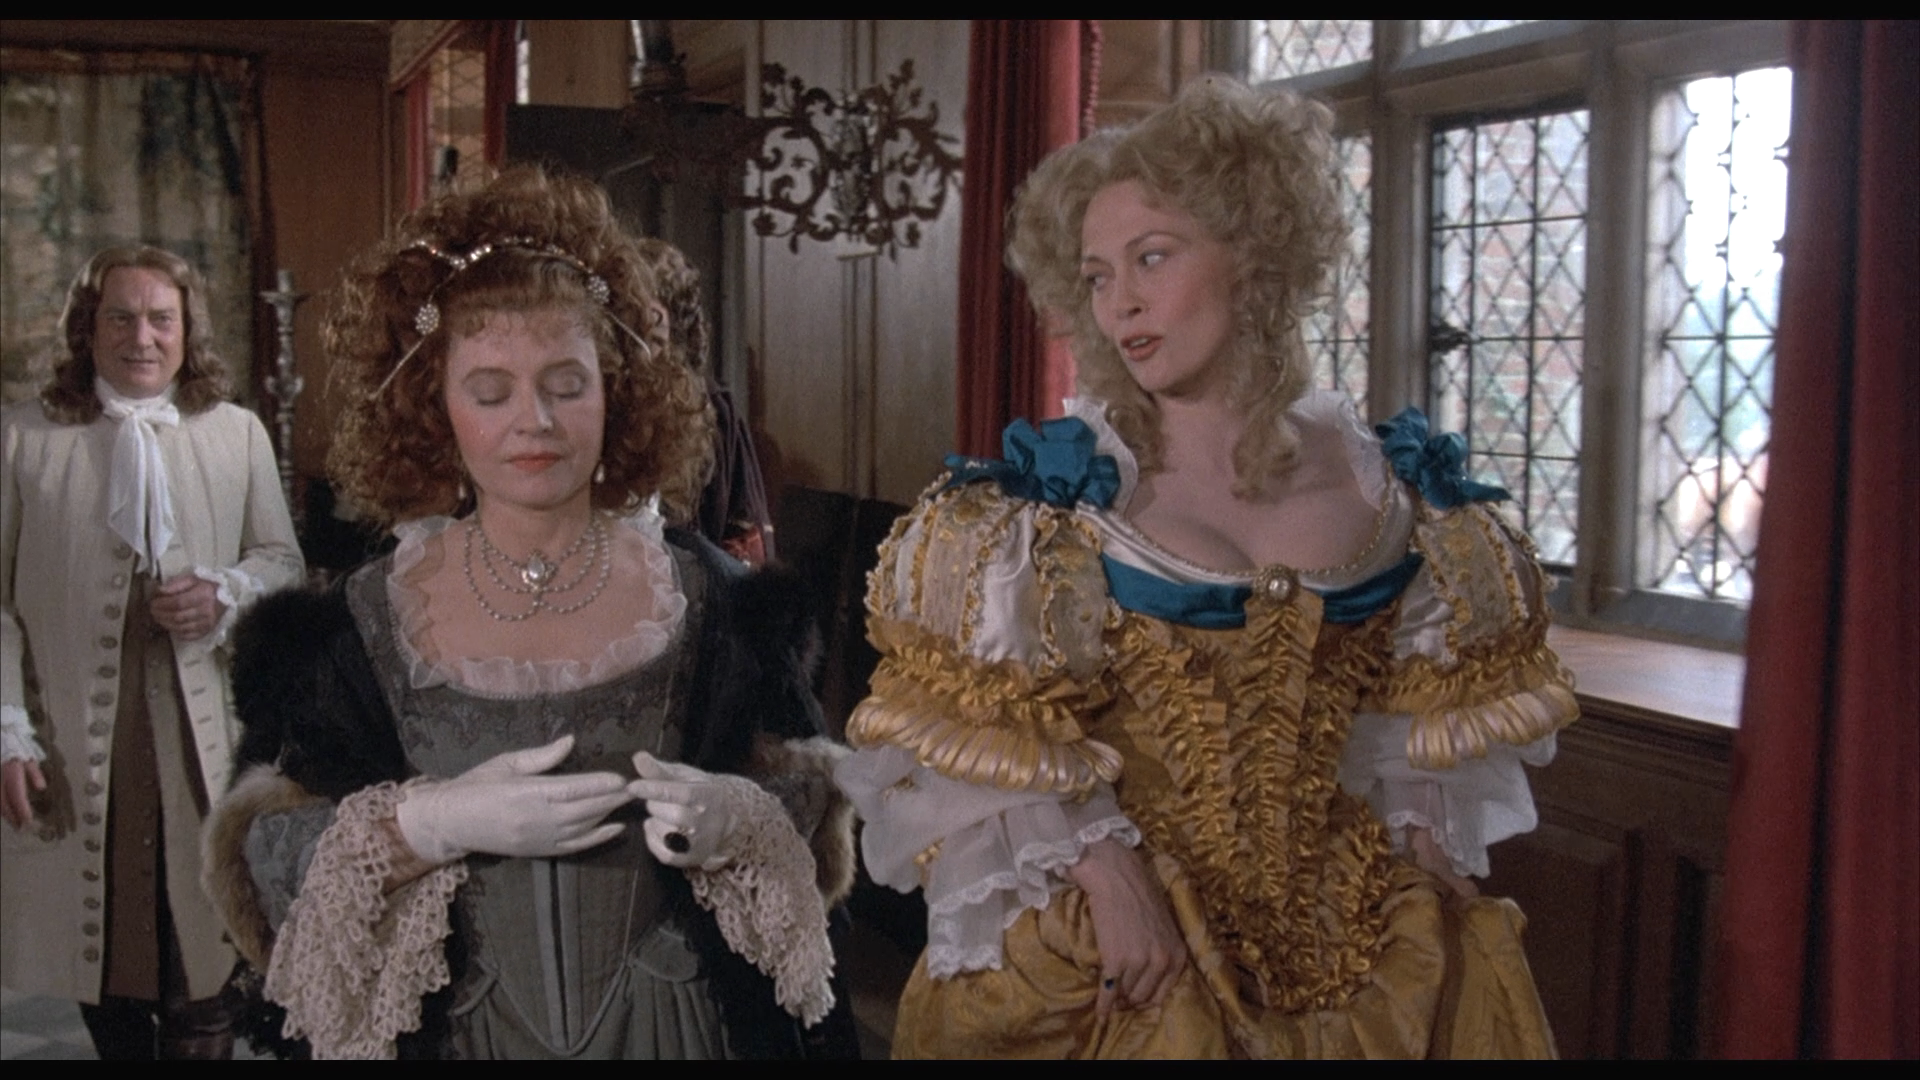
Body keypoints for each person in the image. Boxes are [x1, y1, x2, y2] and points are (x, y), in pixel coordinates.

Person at [835, 76, 1577, 1058]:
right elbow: (970, 738)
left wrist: (1428, 857)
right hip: (1124, 944)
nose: (1122, 303)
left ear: (1256, 253)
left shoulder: (1395, 488)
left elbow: (1408, 729)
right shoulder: (1042, 510)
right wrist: (1106, 872)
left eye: (1152, 257)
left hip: (1357, 944)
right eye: (1096, 276)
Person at [198, 167, 857, 1059]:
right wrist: (426, 826)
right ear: (435, 409)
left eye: (566, 383)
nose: (534, 421)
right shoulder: (348, 631)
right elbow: (264, 868)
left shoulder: (724, 608)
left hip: (678, 1031)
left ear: (617, 392)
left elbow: (815, 824)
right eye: (490, 391)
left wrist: (738, 818)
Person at [1, 246, 306, 1059]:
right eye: (122, 318)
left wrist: (225, 593)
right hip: (77, 742)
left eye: (161, 319)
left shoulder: (236, 432)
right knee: (104, 966)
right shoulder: (22, 439)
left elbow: (283, 560)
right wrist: (7, 729)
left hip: (205, 739)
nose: (143, 337)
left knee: (208, 968)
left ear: (186, 329)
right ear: (88, 329)